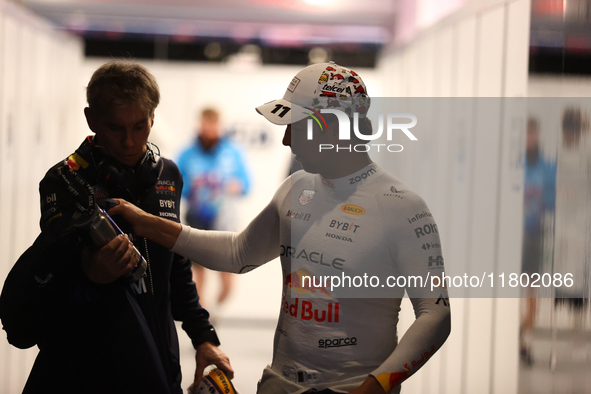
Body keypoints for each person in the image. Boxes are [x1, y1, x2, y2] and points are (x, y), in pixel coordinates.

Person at [109, 61, 451, 394]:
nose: (287, 140)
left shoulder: (401, 207)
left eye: (296, 127)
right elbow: (238, 253)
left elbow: (435, 316)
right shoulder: (296, 188)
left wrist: (375, 386)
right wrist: (145, 223)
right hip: (279, 382)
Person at [0, 60, 233, 394]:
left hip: (159, 358)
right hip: (85, 365)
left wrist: (203, 338)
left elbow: (177, 265)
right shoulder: (62, 181)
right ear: (92, 119)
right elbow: (53, 278)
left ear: (153, 118)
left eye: (139, 127)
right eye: (115, 128)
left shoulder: (168, 174)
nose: (128, 141)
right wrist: (90, 274)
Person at [177, 108, 251, 308]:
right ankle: (203, 316)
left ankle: (216, 310)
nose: (209, 130)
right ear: (199, 125)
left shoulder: (233, 152)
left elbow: (246, 184)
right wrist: (196, 187)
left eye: (213, 125)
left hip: (224, 221)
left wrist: (234, 186)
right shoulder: (186, 154)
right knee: (198, 273)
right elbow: (175, 187)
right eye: (205, 125)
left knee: (227, 278)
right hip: (197, 218)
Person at [520, 117, 556, 365]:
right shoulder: (513, 166)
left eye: (532, 134)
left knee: (532, 295)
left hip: (535, 237)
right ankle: (517, 335)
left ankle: (525, 340)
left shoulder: (546, 167)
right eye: (526, 134)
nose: (530, 139)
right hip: (513, 238)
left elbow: (553, 203)